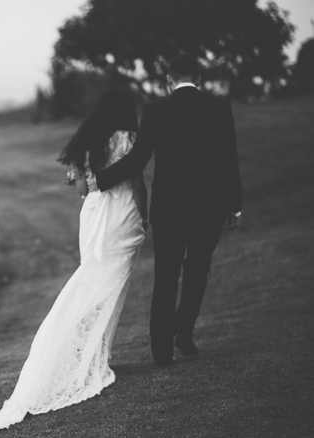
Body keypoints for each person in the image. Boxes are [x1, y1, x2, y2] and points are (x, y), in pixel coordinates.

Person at [0, 89, 148, 433]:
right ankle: (92, 356)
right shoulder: (129, 138)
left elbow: (83, 192)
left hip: (92, 217)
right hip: (122, 215)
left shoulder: (86, 142)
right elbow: (136, 182)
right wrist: (144, 217)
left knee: (92, 281)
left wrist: (80, 179)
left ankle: (89, 354)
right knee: (109, 287)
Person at [93, 54, 242, 366]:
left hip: (168, 209)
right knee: (198, 269)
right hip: (209, 207)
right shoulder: (218, 107)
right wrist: (235, 205)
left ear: (169, 81)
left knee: (166, 276)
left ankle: (161, 351)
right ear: (198, 79)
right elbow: (229, 159)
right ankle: (184, 333)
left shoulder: (156, 110)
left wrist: (100, 179)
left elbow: (138, 159)